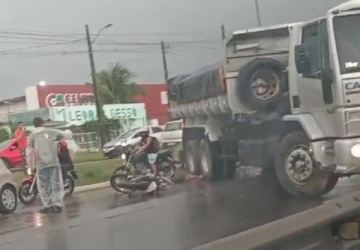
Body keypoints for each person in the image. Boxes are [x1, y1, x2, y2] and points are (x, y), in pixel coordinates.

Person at [26, 118, 64, 214]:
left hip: (41, 164)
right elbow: (64, 135)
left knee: (43, 185)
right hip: (53, 161)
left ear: (34, 125)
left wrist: (30, 166)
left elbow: (29, 153)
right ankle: (57, 204)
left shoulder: (31, 136)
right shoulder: (51, 132)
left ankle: (48, 205)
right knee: (55, 183)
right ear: (43, 123)